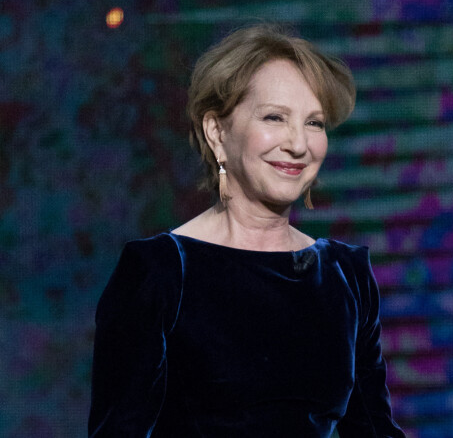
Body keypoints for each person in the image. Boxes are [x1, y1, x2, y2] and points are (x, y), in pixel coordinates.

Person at [88, 24, 406, 437]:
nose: (298, 144)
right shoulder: (161, 272)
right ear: (217, 133)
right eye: (275, 117)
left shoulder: (347, 275)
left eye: (314, 123)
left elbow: (374, 432)